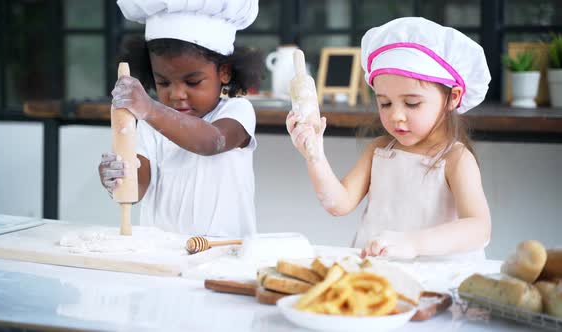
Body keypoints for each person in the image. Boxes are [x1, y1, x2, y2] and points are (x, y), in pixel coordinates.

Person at [286, 17, 492, 260]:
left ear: (453, 98)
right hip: (379, 277)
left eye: (412, 103)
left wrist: (413, 243)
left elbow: (479, 228)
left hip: (438, 280)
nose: (396, 115)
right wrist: (314, 156)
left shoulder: (455, 159)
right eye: (384, 103)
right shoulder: (380, 150)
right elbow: (338, 203)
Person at [98, 0, 263, 237]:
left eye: (192, 82)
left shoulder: (237, 111)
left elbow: (210, 142)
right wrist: (118, 176)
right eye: (163, 82)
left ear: (224, 72)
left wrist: (150, 109)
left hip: (226, 251)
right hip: (160, 253)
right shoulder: (149, 124)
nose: (176, 94)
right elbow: (137, 188)